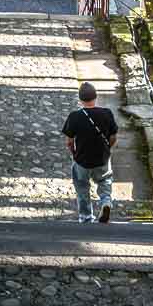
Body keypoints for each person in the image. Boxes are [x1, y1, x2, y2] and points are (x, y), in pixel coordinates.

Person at [62, 82, 117, 223]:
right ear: (96, 97)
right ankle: (106, 202)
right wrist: (107, 149)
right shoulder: (107, 113)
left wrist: (74, 152)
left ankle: (86, 216)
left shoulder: (74, 116)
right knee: (105, 181)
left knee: (82, 187)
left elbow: (69, 141)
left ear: (80, 99)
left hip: (82, 159)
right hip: (102, 158)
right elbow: (113, 137)